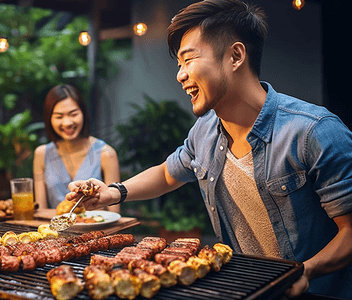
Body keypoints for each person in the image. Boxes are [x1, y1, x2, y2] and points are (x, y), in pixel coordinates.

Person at [65, 0, 352, 298]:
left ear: (236, 56)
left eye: (188, 60)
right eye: (179, 65)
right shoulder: (205, 131)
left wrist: (305, 271)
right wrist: (113, 192)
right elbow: (167, 174)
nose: (180, 75)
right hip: (247, 288)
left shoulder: (314, 131)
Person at [33, 84, 120, 213]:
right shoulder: (41, 154)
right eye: (59, 116)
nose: (67, 122)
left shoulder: (106, 153)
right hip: (56, 231)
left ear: (83, 113)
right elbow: (41, 211)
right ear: (49, 118)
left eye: (73, 114)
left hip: (97, 230)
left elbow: (114, 213)